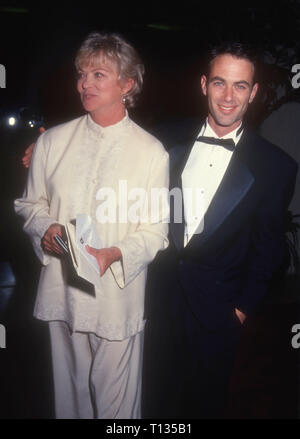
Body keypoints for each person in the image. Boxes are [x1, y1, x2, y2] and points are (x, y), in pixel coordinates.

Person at [14, 32, 169, 419]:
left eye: (99, 74)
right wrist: (45, 228)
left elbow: (155, 231)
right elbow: (29, 204)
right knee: (69, 402)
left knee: (118, 412)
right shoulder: (52, 142)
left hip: (117, 297)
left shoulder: (151, 152)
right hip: (62, 291)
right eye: (82, 74)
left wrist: (115, 253)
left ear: (127, 84)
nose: (85, 83)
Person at [142, 41, 298, 418]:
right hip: (155, 305)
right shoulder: (163, 140)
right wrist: (47, 145)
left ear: (254, 92)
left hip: (217, 316)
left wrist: (241, 310)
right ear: (203, 85)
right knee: (151, 405)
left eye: (240, 85)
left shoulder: (276, 166)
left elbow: (268, 249)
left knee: (203, 407)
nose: (229, 96)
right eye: (219, 83)